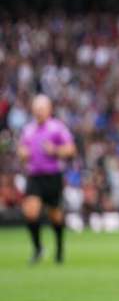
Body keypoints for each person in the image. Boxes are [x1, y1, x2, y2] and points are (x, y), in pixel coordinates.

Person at [17, 95, 76, 264]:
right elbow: (22, 149)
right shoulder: (28, 129)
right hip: (34, 176)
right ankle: (38, 248)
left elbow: (71, 149)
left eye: (42, 108)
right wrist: (22, 154)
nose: (39, 112)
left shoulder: (57, 128)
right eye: (36, 109)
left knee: (55, 215)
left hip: (52, 176)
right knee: (30, 212)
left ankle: (59, 249)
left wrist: (55, 150)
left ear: (49, 109)